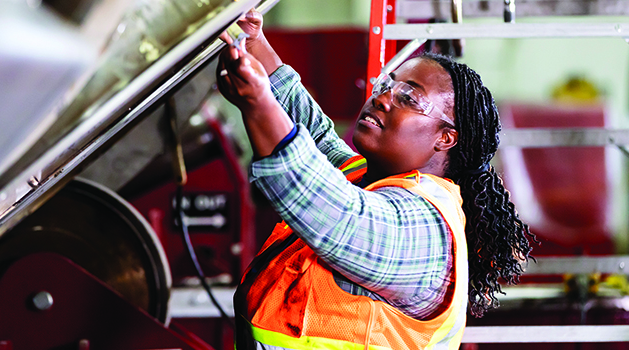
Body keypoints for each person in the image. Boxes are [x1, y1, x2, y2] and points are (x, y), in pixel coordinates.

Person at [217, 10, 535, 350]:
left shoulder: (425, 229)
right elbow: (315, 135)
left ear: (445, 138)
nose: (382, 98)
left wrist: (259, 104)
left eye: (408, 98)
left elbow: (336, 217)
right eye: (387, 86)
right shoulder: (365, 177)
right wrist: (255, 43)